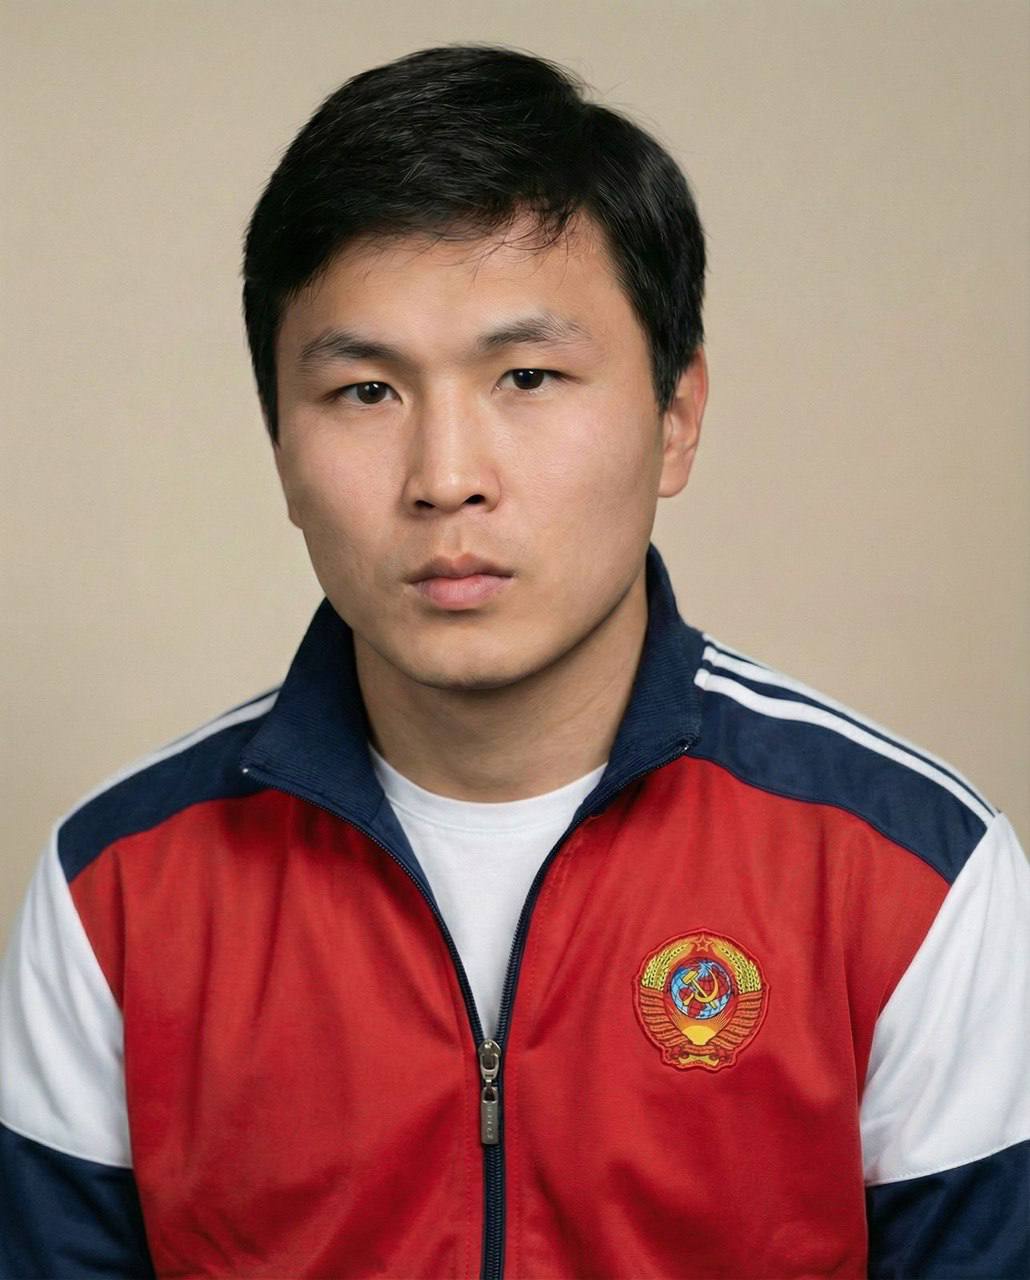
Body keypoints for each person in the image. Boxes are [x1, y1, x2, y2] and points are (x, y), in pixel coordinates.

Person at [1, 40, 1027, 1280]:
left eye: (527, 376)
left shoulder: (911, 872)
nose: (445, 477)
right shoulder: (115, 889)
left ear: (675, 418)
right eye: (365, 391)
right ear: (279, 447)